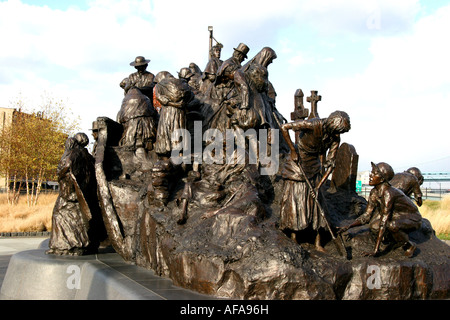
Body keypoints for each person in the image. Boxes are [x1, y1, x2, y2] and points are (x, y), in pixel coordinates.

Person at [279, 111, 351, 251]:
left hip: (313, 166)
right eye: (336, 131)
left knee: (318, 204)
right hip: (297, 162)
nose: (337, 134)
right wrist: (293, 150)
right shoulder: (312, 124)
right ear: (330, 125)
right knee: (297, 198)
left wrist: (319, 186)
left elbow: (330, 164)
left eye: (340, 132)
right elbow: (284, 127)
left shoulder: (335, 138)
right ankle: (294, 236)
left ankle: (318, 242)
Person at [338, 162, 422, 258]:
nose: (370, 175)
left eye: (374, 173)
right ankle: (394, 240)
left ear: (382, 179)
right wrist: (348, 226)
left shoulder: (388, 194)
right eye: (372, 172)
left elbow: (384, 221)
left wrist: (375, 250)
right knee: (374, 226)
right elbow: (367, 215)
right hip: (396, 215)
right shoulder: (374, 192)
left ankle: (409, 245)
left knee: (392, 225)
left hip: (412, 218)